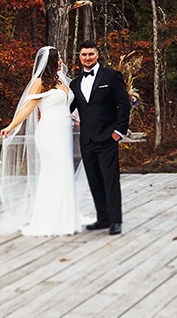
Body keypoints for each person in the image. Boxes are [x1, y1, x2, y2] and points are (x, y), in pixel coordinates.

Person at [0, 46, 81, 236]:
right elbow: (27, 109)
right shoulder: (39, 82)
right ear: (50, 61)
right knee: (53, 172)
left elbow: (71, 105)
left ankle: (66, 216)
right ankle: (49, 218)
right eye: (58, 58)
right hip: (50, 133)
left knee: (65, 171)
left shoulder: (62, 81)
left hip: (64, 132)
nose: (61, 61)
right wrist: (11, 126)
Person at [69, 40, 131, 236]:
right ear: (79, 57)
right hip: (86, 140)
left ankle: (115, 221)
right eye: (84, 55)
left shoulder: (111, 76)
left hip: (107, 138)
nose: (87, 58)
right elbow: (68, 109)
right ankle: (103, 219)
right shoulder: (74, 83)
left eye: (91, 54)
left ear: (97, 55)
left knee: (110, 180)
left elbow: (124, 104)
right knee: (94, 180)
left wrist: (118, 132)